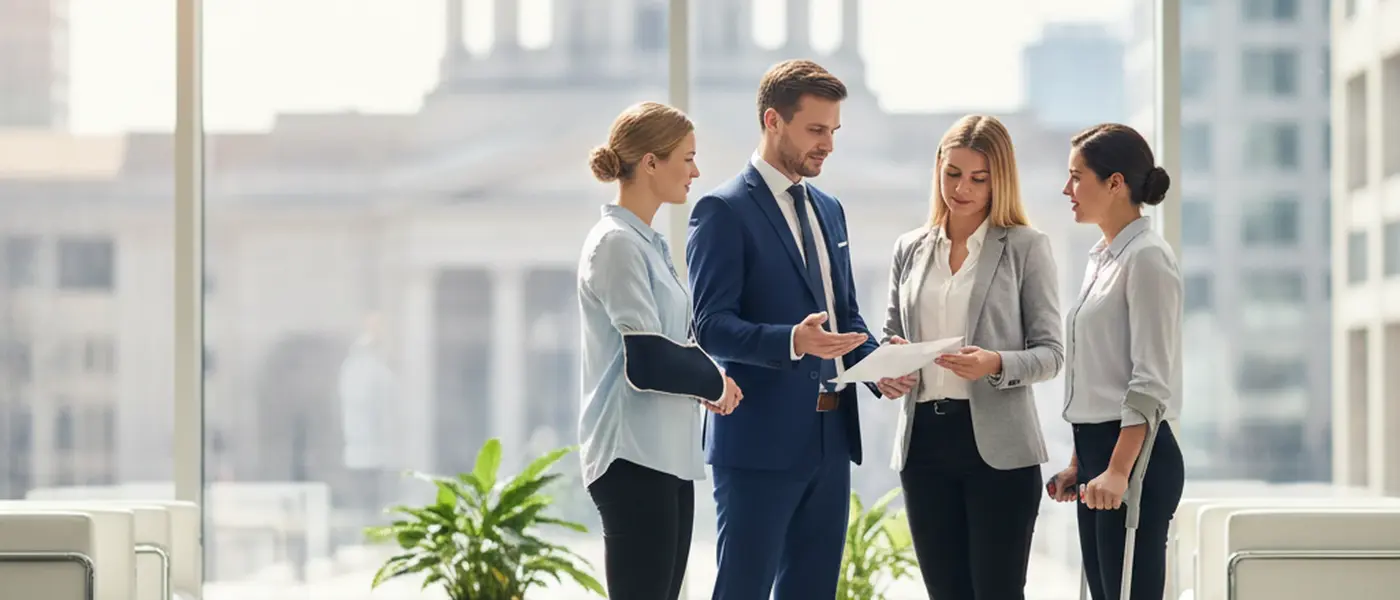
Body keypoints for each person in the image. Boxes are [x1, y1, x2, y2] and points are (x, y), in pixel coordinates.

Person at [686, 59, 877, 600]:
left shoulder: (830, 209)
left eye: (834, 132)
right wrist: (792, 340)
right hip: (758, 443)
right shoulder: (722, 210)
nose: (828, 146)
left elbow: (845, 317)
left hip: (831, 439)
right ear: (773, 121)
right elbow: (711, 327)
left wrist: (881, 365)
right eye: (816, 130)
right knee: (743, 589)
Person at [876, 114, 1064, 600]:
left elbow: (1051, 354)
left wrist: (996, 364)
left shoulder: (1026, 247)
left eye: (979, 178)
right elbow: (892, 336)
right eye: (953, 173)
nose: (963, 188)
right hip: (924, 446)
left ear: (999, 180)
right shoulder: (910, 249)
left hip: (998, 453)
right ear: (938, 169)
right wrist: (888, 370)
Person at [577, 101, 744, 600]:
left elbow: (675, 346)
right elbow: (647, 358)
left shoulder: (646, 242)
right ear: (650, 163)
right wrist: (716, 382)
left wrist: (704, 380)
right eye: (687, 158)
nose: (696, 171)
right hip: (632, 455)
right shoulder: (616, 244)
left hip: (667, 454)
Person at [1047, 122, 1185, 600]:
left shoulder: (1147, 259)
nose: (1067, 189)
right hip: (1097, 456)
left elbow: (1148, 381)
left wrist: (1118, 470)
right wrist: (1077, 463)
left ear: (1115, 183)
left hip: (1136, 459)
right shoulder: (1102, 257)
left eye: (1076, 176)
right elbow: (1097, 373)